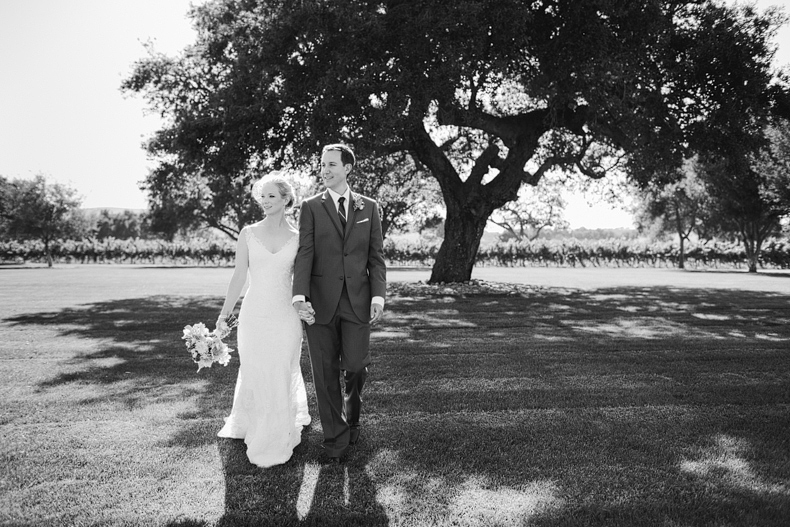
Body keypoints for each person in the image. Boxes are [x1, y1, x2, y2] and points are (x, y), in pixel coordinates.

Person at [292, 143, 387, 462]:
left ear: (348, 167)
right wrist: (299, 295)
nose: (325, 170)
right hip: (318, 303)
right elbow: (305, 252)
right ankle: (335, 437)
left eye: (332, 164)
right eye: (322, 165)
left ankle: (352, 417)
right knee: (324, 371)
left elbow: (376, 256)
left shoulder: (370, 207)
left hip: (358, 302)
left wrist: (377, 295)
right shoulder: (310, 207)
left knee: (357, 367)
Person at [216, 173, 313, 467]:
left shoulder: (299, 237)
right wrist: (224, 313)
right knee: (256, 369)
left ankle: (279, 430)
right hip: (254, 314)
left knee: (281, 368)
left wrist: (308, 307)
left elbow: (305, 278)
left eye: (272, 196)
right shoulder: (248, 233)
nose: (266, 201)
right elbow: (239, 275)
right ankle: (254, 427)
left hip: (286, 316)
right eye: (263, 196)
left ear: (286, 199)